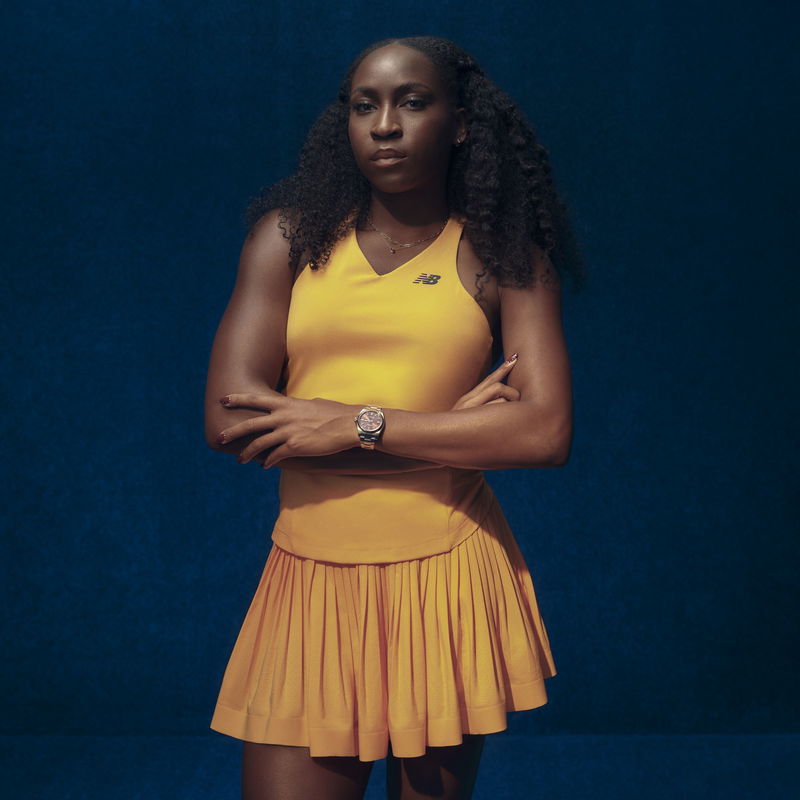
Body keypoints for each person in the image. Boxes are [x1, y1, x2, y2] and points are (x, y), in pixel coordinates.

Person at [204, 35, 583, 800]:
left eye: (412, 102)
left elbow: (544, 434)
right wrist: (453, 433)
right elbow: (231, 420)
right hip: (310, 580)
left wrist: (354, 423)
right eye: (364, 105)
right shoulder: (287, 240)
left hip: (447, 580)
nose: (384, 124)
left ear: (460, 124)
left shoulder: (505, 256)